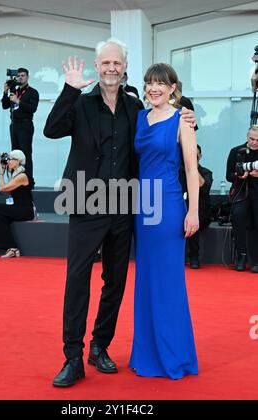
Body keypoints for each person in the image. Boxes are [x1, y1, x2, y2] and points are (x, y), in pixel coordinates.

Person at [44, 38, 196, 387]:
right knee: (77, 278)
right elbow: (51, 130)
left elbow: (166, 121)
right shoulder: (80, 104)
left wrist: (186, 113)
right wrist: (68, 90)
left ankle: (100, 345)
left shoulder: (134, 108)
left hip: (126, 206)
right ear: (97, 67)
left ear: (124, 67)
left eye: (117, 63)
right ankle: (72, 357)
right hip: (86, 201)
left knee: (115, 281)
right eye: (105, 63)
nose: (111, 68)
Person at [130, 63, 199, 379]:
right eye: (149, 83)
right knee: (145, 281)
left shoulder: (181, 120)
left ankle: (173, 355)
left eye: (160, 83)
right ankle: (146, 353)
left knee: (168, 282)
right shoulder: (141, 117)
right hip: (142, 206)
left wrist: (193, 211)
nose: (153, 88)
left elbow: (191, 171)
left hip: (168, 204)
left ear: (173, 87)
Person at [226, 125, 258, 273]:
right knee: (238, 216)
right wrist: (239, 175)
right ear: (247, 137)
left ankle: (255, 259)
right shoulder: (236, 151)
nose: (255, 143)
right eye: (252, 139)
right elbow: (228, 176)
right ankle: (241, 255)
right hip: (241, 193)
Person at [2, 68, 39, 188]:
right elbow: (5, 105)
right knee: (15, 153)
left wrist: (18, 101)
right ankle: (16, 180)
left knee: (26, 153)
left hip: (25, 124)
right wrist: (5, 92)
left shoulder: (32, 92)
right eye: (18, 76)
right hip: (14, 124)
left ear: (27, 77)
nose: (20, 77)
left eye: (23, 75)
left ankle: (29, 181)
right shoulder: (15, 91)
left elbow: (32, 108)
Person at [181, 145, 213, 268]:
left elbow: (204, 188)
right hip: (182, 208)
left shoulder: (206, 172)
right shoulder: (178, 171)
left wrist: (192, 167)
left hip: (200, 212)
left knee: (193, 220)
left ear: (200, 156)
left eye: (195, 155)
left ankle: (194, 256)